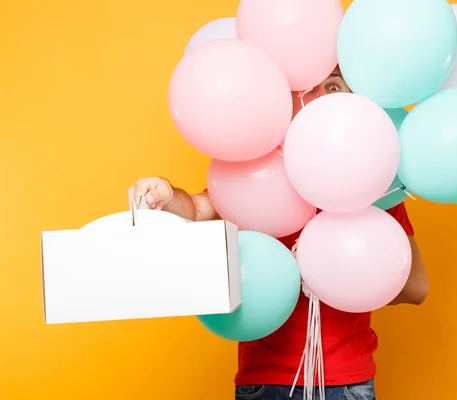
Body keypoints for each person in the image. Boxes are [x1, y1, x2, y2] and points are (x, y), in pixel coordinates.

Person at [130, 66, 428, 400]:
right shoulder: (257, 174)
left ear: (356, 103)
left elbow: (416, 286)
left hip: (346, 383)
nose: (317, 99)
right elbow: (197, 210)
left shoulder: (377, 190)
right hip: (265, 382)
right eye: (306, 89)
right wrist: (166, 194)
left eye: (332, 87)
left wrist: (333, 272)